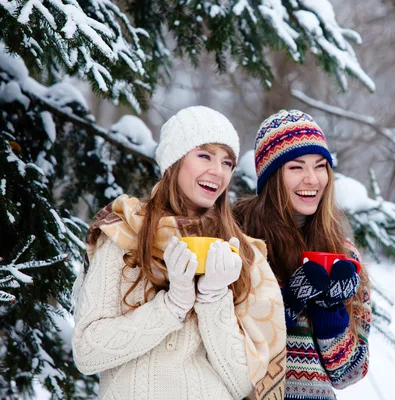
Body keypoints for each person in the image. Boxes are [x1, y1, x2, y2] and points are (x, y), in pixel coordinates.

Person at [71, 106, 286, 400]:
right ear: (174, 160)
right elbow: (86, 352)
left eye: (227, 162)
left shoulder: (243, 254)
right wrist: (171, 306)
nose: (218, 171)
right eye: (205, 155)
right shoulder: (124, 236)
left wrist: (213, 298)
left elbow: (245, 385)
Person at [234, 109, 371, 400]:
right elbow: (226, 348)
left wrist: (330, 311)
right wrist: (287, 303)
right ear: (272, 177)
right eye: (296, 168)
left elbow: (350, 373)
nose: (312, 179)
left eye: (320, 166)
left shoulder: (344, 255)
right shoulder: (239, 241)